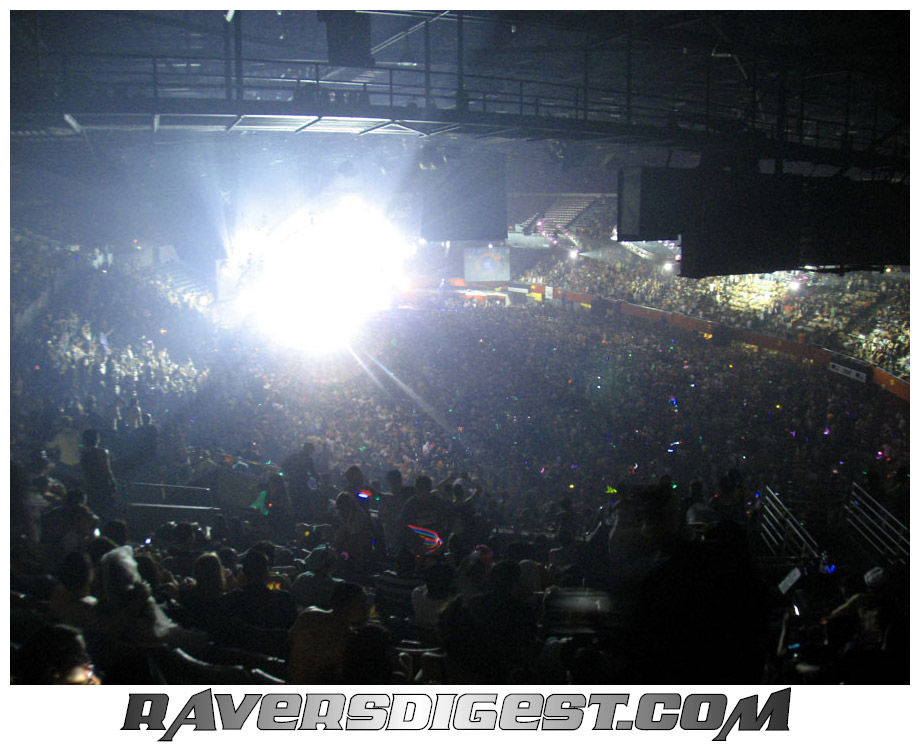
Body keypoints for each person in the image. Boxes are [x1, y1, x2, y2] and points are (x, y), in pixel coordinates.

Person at [79, 428, 117, 519]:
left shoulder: (83, 454)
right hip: (102, 484)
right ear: (96, 439)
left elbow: (84, 471)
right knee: (105, 509)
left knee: (94, 508)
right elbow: (107, 469)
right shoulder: (102, 452)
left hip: (91, 484)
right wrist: (113, 482)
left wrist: (87, 484)